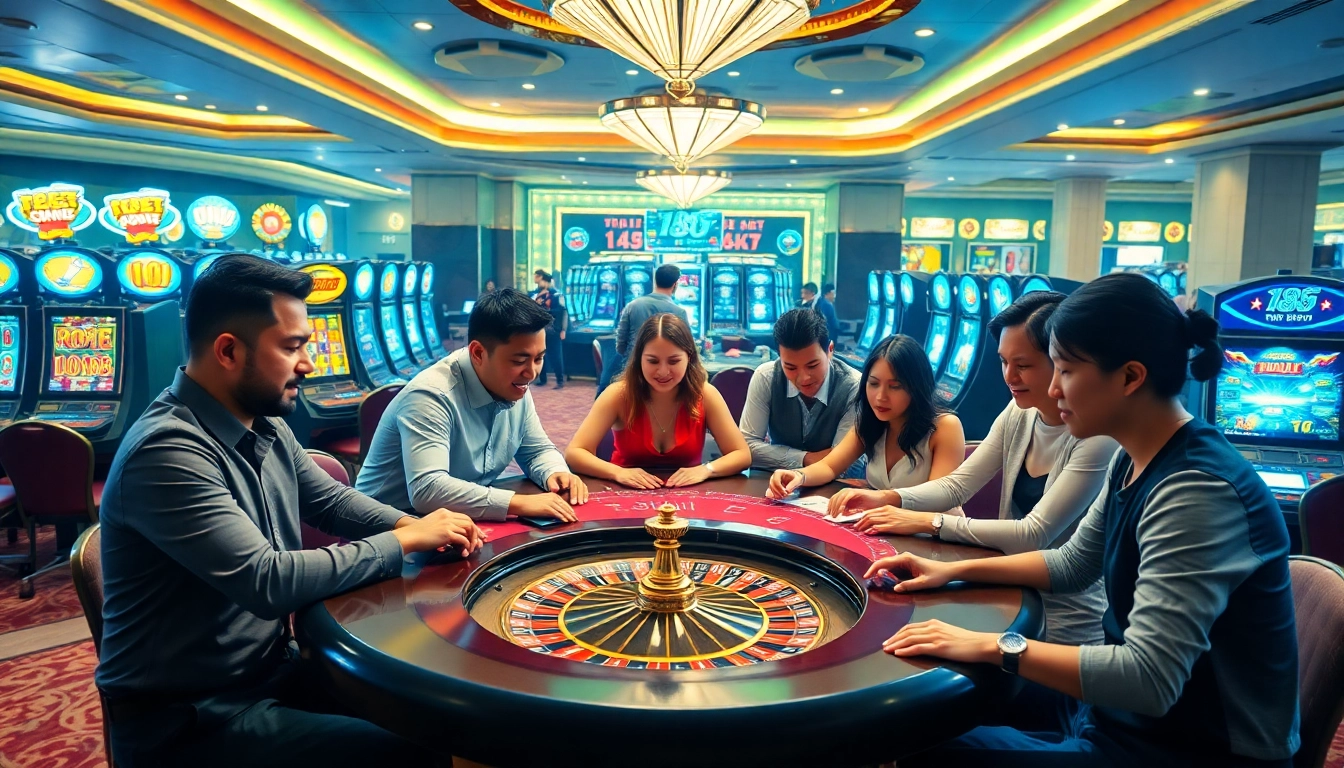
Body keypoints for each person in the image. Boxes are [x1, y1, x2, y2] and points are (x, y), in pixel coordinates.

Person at [878, 273, 1298, 768]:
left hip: (1187, 746)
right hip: (1120, 717)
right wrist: (950, 571)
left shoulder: (1197, 490)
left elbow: (1150, 679)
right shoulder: (1133, 455)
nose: (1052, 389)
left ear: (1130, 377)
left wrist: (995, 644)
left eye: (1066, 371)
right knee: (925, 707)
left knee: (922, 748)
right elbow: (1073, 563)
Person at [96, 255, 481, 768]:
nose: (309, 363)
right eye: (292, 346)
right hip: (188, 719)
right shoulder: (166, 450)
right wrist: (405, 541)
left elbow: (329, 501)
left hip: (268, 672)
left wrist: (412, 523)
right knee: (410, 753)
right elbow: (266, 580)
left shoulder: (263, 420)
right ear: (229, 351)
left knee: (432, 713)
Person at [829, 291, 1116, 645]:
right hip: (1002, 590)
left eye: (1023, 365)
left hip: (1063, 623)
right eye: (1003, 361)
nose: (1009, 376)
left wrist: (929, 522)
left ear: (1060, 359)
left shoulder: (1097, 436)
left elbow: (1033, 534)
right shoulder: (1018, 413)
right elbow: (957, 485)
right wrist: (889, 497)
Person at [357, 288, 587, 522]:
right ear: (478, 352)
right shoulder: (431, 395)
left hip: (458, 516)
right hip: (389, 526)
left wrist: (555, 472)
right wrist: (518, 502)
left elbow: (536, 450)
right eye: (519, 361)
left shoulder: (514, 384)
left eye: (539, 359)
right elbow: (427, 489)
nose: (532, 373)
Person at [766, 334, 964, 500]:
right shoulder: (869, 422)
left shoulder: (945, 427)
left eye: (895, 386)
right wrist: (797, 476)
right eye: (874, 383)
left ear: (917, 387)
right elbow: (828, 466)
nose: (880, 397)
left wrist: (881, 499)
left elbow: (939, 499)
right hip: (884, 528)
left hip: (933, 537)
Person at [566, 313, 751, 489]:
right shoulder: (617, 394)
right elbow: (575, 453)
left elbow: (741, 455)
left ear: (689, 358)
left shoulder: (705, 394)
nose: (663, 371)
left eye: (673, 361)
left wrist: (706, 470)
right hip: (622, 493)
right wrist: (617, 472)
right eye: (653, 361)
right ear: (639, 360)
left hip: (688, 497)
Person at [739, 308, 860, 473]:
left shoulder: (854, 386)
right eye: (790, 367)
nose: (804, 378)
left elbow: (846, 464)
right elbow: (744, 447)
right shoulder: (766, 377)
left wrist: (773, 455)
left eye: (812, 365)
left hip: (836, 489)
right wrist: (806, 458)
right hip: (775, 485)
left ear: (830, 350)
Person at [605, 263, 689, 393]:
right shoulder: (679, 312)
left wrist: (632, 358)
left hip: (631, 370)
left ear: (655, 281)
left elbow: (620, 342)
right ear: (675, 284)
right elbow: (687, 348)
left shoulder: (632, 305)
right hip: (665, 375)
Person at [533, 272, 567, 389]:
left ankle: (560, 380)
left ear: (545, 280)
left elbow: (562, 312)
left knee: (556, 355)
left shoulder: (556, 294)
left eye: (538, 278)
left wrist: (563, 329)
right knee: (540, 354)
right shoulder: (535, 294)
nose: (536, 281)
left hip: (553, 329)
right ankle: (542, 379)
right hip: (539, 330)